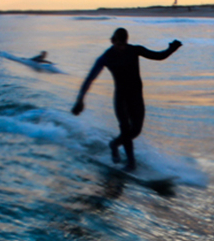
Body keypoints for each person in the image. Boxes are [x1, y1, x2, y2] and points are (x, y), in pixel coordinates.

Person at [71, 28, 183, 170]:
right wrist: (80, 99)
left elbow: (158, 56)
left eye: (124, 44)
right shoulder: (106, 57)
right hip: (121, 98)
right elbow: (90, 79)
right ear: (113, 41)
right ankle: (131, 163)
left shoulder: (134, 50)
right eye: (119, 45)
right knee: (125, 130)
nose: (122, 48)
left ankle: (114, 144)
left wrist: (171, 49)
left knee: (136, 130)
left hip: (136, 96)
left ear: (127, 41)